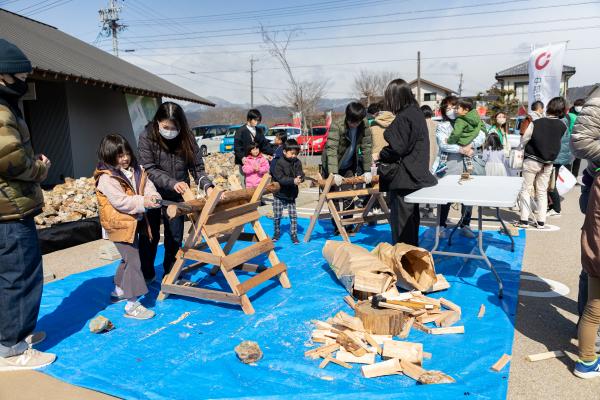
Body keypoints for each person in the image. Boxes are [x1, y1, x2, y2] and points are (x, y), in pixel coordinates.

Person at [0, 39, 56, 371]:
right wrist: (40, 167)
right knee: (20, 276)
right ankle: (13, 349)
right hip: (10, 211)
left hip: (7, 208)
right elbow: (10, 160)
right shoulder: (2, 110)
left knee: (10, 276)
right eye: (19, 75)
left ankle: (13, 336)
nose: (24, 81)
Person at [138, 102, 213, 281]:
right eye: (166, 127)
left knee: (175, 236)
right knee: (150, 235)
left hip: (177, 195)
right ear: (157, 122)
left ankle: (171, 274)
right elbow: (148, 168)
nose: (170, 131)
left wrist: (207, 186)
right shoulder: (147, 137)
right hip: (152, 193)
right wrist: (172, 183)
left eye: (175, 127)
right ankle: (145, 274)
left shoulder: (187, 137)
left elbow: (197, 168)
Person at [94, 134, 160, 320]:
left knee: (127, 259)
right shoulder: (107, 178)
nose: (125, 158)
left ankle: (119, 290)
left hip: (133, 222)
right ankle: (132, 304)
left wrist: (152, 196)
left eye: (127, 153)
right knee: (134, 261)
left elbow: (147, 186)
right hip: (118, 225)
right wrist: (144, 201)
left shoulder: (137, 170)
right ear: (108, 156)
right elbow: (120, 202)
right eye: (119, 155)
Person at [377, 79, 437, 246]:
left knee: (402, 225)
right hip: (415, 175)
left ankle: (404, 261)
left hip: (404, 177)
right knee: (411, 220)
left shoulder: (404, 117)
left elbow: (398, 148)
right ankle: (411, 257)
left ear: (396, 97)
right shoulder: (416, 112)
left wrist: (380, 154)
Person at [434, 95, 485, 238]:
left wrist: (471, 145)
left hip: (467, 165)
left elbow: (481, 136)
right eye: (447, 107)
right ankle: (441, 225)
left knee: (467, 195)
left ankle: (465, 224)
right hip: (449, 165)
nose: (451, 110)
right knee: (445, 197)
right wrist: (461, 149)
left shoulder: (470, 122)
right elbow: (443, 144)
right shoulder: (443, 126)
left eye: (454, 106)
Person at [322, 102, 373, 234]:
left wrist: (367, 170)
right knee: (332, 197)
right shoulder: (337, 125)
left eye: (357, 122)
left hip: (349, 163)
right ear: (347, 117)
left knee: (348, 196)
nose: (354, 124)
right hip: (332, 164)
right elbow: (331, 149)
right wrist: (334, 172)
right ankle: (337, 226)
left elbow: (367, 146)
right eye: (351, 121)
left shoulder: (364, 124)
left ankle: (348, 224)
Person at [516, 97, 567, 229]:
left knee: (526, 190)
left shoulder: (537, 122)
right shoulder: (563, 126)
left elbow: (525, 138)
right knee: (542, 191)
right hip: (548, 163)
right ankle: (541, 221)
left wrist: (522, 148)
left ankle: (524, 220)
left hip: (532, 159)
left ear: (549, 107)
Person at [571, 96, 600, 323]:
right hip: (595, 189)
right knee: (594, 258)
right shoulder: (596, 105)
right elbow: (580, 143)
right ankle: (589, 323)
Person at [575, 171, 600, 378]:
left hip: (594, 250)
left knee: (592, 309)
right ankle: (587, 359)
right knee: (594, 310)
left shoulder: (596, 173)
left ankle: (587, 358)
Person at [272, 139, 305, 244]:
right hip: (280, 194)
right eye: (292, 153)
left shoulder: (297, 162)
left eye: (296, 153)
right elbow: (280, 178)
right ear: (285, 152)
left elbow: (301, 173)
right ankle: (276, 232)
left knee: (293, 216)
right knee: (277, 215)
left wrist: (301, 178)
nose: (294, 156)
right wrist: (293, 180)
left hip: (291, 195)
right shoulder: (279, 163)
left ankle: (294, 235)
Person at [442, 98, 484, 173]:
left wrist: (449, 140)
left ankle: (469, 166)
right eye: (448, 109)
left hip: (469, 156)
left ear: (465, 109)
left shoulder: (460, 120)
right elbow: (443, 145)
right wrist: (466, 148)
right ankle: (469, 166)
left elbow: (456, 134)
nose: (453, 110)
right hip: (454, 165)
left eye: (455, 108)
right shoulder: (475, 116)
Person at [234, 109, 273, 186]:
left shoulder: (259, 130)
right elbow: (237, 146)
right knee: (246, 183)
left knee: (259, 183)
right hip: (246, 162)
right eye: (255, 120)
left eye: (258, 120)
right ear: (249, 119)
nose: (257, 122)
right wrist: (242, 157)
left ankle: (258, 197)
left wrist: (270, 153)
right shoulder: (240, 131)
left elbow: (264, 144)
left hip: (258, 161)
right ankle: (248, 198)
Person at [547, 109, 574, 217]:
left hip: (555, 158)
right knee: (551, 183)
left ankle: (556, 209)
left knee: (551, 184)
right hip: (559, 157)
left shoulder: (559, 123)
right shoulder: (565, 121)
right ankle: (552, 206)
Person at [570, 98, 586, 179]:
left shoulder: (585, 114)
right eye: (577, 105)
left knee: (577, 160)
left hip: (579, 140)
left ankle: (574, 177)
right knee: (569, 160)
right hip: (570, 139)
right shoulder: (570, 114)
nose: (578, 107)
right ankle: (568, 178)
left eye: (580, 105)